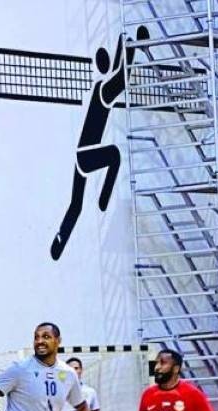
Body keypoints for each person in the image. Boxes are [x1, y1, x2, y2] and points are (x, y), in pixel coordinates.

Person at [50, 26, 148, 260]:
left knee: (76, 204)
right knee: (114, 155)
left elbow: (116, 71)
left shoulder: (99, 87)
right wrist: (129, 47)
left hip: (81, 156)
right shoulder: (104, 91)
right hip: (88, 153)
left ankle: (59, 240)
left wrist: (123, 43)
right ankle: (104, 199)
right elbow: (122, 78)